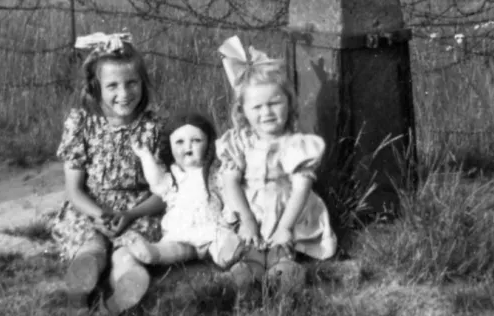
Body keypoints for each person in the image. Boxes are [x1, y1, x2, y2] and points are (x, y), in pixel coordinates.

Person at [52, 31, 165, 313]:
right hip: (90, 207)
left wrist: (130, 215)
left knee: (129, 252)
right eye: (112, 86)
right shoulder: (82, 123)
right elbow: (74, 189)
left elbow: (164, 192)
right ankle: (81, 289)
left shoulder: (154, 128)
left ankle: (122, 294)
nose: (124, 94)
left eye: (131, 83)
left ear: (143, 83)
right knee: (92, 246)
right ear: (95, 87)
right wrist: (98, 215)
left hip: (139, 210)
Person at [215, 35, 338, 293]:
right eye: (257, 107)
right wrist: (246, 219)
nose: (266, 113)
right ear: (243, 112)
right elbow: (231, 182)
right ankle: (250, 269)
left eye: (274, 103)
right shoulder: (238, 142)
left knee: (282, 247)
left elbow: (301, 188)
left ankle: (283, 268)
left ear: (289, 103)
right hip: (251, 208)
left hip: (287, 210)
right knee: (248, 244)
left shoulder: (295, 144)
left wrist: (285, 227)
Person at [129, 111, 243, 268]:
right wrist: (145, 156)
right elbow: (157, 182)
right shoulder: (174, 176)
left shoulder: (214, 173)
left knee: (224, 240)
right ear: (170, 146)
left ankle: (227, 257)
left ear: (208, 143)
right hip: (182, 229)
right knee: (174, 247)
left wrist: (230, 215)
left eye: (196, 140)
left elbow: (228, 194)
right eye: (179, 142)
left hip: (211, 227)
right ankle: (154, 253)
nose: (188, 147)